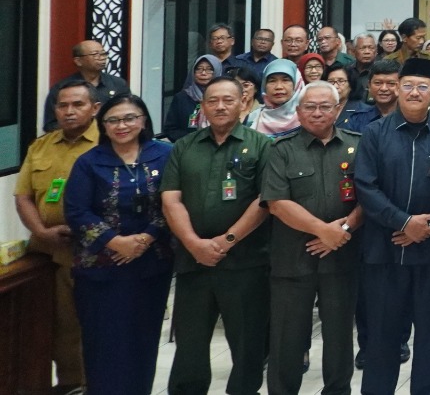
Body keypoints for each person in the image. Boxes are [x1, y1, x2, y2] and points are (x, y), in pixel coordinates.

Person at [160, 76, 274, 395]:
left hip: (245, 262)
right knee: (190, 343)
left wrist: (227, 241)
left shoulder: (262, 145)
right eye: (212, 101)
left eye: (228, 100)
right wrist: (193, 243)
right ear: (203, 106)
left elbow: (265, 200)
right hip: (194, 262)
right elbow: (170, 199)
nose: (220, 106)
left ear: (243, 103)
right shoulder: (184, 147)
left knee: (247, 343)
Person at [354, 56, 430, 395]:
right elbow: (365, 187)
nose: (415, 92)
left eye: (422, 87)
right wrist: (403, 222)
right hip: (384, 251)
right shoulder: (374, 133)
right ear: (398, 89)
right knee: (382, 334)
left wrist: (426, 226)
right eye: (409, 85)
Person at [64, 93, 173, 395]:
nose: (121, 125)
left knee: (143, 341)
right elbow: (76, 211)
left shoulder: (165, 155)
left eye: (129, 118)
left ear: (143, 121)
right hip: (102, 271)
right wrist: (115, 242)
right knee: (105, 345)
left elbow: (175, 201)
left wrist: (146, 238)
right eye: (112, 120)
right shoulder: (89, 162)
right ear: (103, 125)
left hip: (151, 267)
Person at [261, 80, 364, 395]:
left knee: (339, 338)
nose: (317, 113)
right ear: (298, 110)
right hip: (293, 259)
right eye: (310, 107)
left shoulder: (357, 146)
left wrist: (343, 231)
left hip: (342, 258)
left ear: (338, 110)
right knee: (286, 339)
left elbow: (369, 197)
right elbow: (277, 203)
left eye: (324, 107)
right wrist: (324, 231)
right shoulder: (280, 149)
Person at [15, 83, 98, 390]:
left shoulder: (107, 144)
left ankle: (90, 384)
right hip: (45, 252)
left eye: (78, 104)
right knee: (51, 326)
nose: (69, 111)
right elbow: (23, 196)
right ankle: (66, 384)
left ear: (95, 108)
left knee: (87, 325)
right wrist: (41, 231)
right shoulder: (41, 146)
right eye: (63, 106)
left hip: (91, 253)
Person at [42, 39, 131, 131]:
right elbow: (50, 125)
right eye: (95, 54)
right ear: (78, 61)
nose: (102, 58)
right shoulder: (62, 88)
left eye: (104, 54)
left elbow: (128, 115)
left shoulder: (118, 84)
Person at [166, 54, 223, 140]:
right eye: (199, 69)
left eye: (209, 69)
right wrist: (193, 140)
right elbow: (170, 129)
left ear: (217, 71)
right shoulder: (181, 98)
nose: (203, 73)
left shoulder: (224, 97)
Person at [251, 57, 304, 138]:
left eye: (285, 80)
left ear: (297, 84)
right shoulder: (252, 119)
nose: (278, 87)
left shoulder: (309, 118)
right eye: (272, 81)